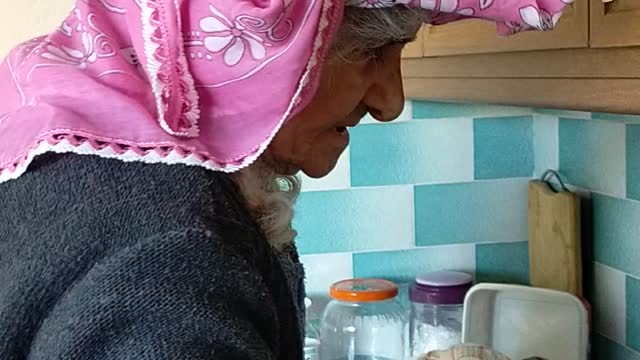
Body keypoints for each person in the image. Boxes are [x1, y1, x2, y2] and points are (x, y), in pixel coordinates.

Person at [0, 0, 568, 359]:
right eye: (374, 51)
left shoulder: (74, 169)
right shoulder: (165, 252)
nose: (391, 101)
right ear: (249, 52)